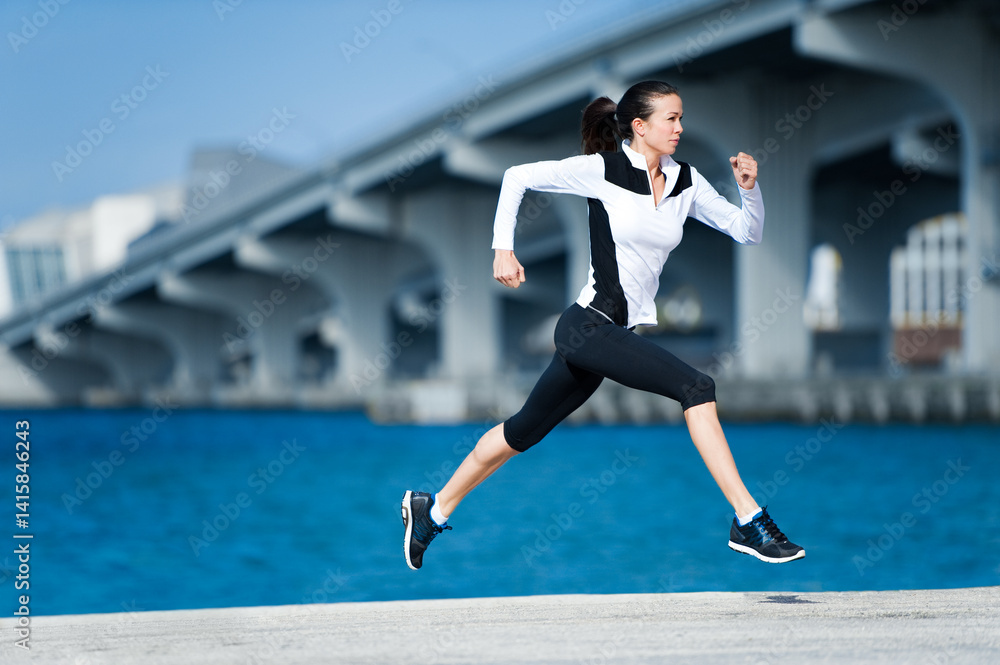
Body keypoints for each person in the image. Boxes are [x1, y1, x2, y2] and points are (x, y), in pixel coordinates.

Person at [401, 80, 804, 571]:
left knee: (520, 432)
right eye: (670, 119)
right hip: (586, 327)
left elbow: (748, 232)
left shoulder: (686, 181)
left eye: (681, 118)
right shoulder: (603, 171)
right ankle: (748, 518)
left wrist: (749, 191)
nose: (680, 128)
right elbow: (515, 176)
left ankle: (431, 510)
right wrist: (502, 248)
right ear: (639, 126)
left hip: (613, 336)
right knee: (697, 386)